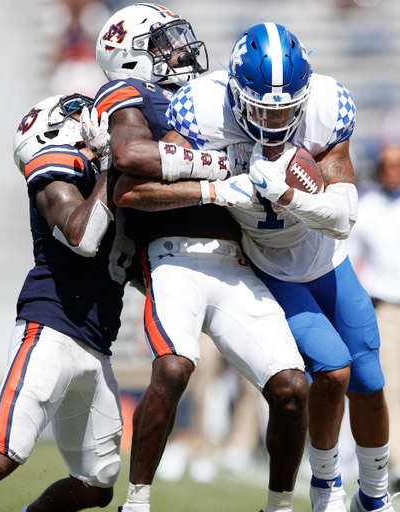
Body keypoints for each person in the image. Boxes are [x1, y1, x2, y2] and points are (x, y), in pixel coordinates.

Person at [112, 22, 394, 512]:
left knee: (369, 381)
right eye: (264, 106)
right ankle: (326, 488)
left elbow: (343, 216)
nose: (277, 117)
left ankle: (373, 495)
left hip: (326, 257)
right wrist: (219, 185)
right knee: (332, 372)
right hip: (268, 265)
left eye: (287, 106)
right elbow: (135, 190)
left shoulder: (327, 103)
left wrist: (285, 194)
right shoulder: (203, 108)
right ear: (237, 93)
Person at [90, 4, 309, 512]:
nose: (182, 50)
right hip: (173, 257)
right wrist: (219, 179)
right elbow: (128, 165)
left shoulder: (215, 94)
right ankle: (138, 502)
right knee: (173, 368)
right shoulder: (132, 94)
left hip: (237, 261)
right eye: (165, 42)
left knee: (293, 386)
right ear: (131, 57)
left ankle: (278, 507)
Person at [0, 93, 133, 512]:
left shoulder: (104, 180)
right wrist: (109, 162)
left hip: (97, 342)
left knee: (95, 488)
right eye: (77, 114)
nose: (92, 119)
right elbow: (83, 237)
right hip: (52, 327)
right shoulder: (53, 170)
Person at [347, 144, 400, 493]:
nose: (392, 170)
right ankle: (397, 463)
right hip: (388, 308)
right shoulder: (369, 206)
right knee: (391, 388)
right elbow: (349, 257)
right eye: (387, 165)